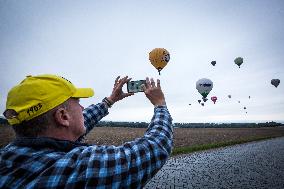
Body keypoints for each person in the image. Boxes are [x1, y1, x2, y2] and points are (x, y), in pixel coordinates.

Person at [0, 74, 173, 188]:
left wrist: (109, 101)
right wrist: (160, 104)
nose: (82, 106)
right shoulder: (82, 169)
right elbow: (155, 146)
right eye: (77, 101)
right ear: (63, 116)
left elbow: (76, 123)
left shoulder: (8, 156)